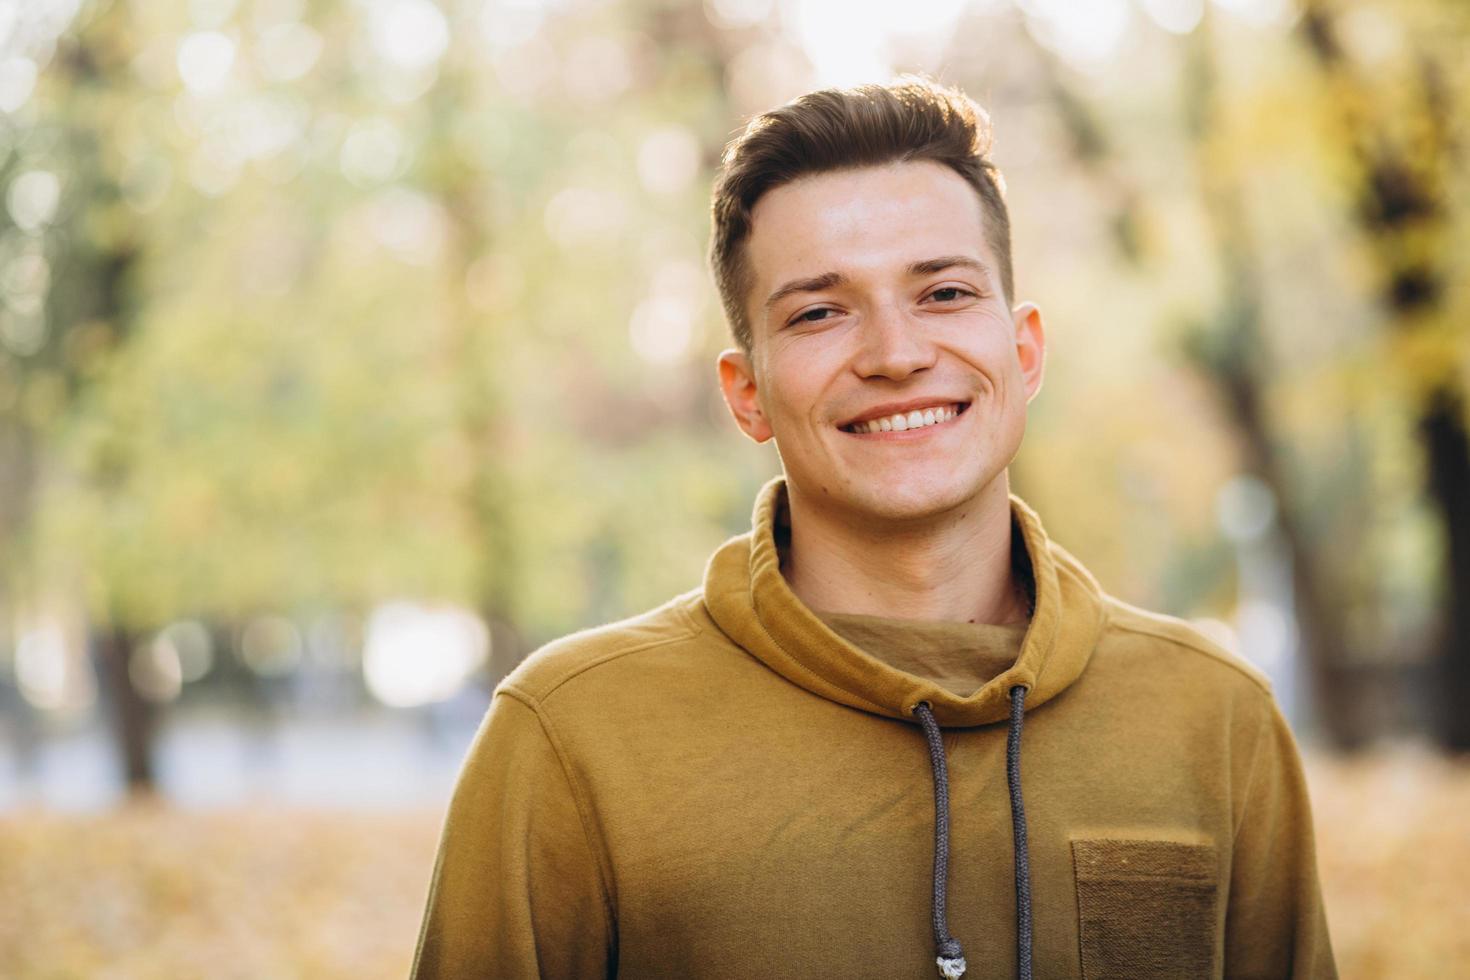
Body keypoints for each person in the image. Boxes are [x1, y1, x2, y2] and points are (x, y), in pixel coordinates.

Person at [411, 77, 1336, 979]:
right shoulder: (571, 737)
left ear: (1023, 352)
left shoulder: (1214, 719)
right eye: (819, 312)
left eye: (943, 295)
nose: (896, 355)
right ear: (747, 395)